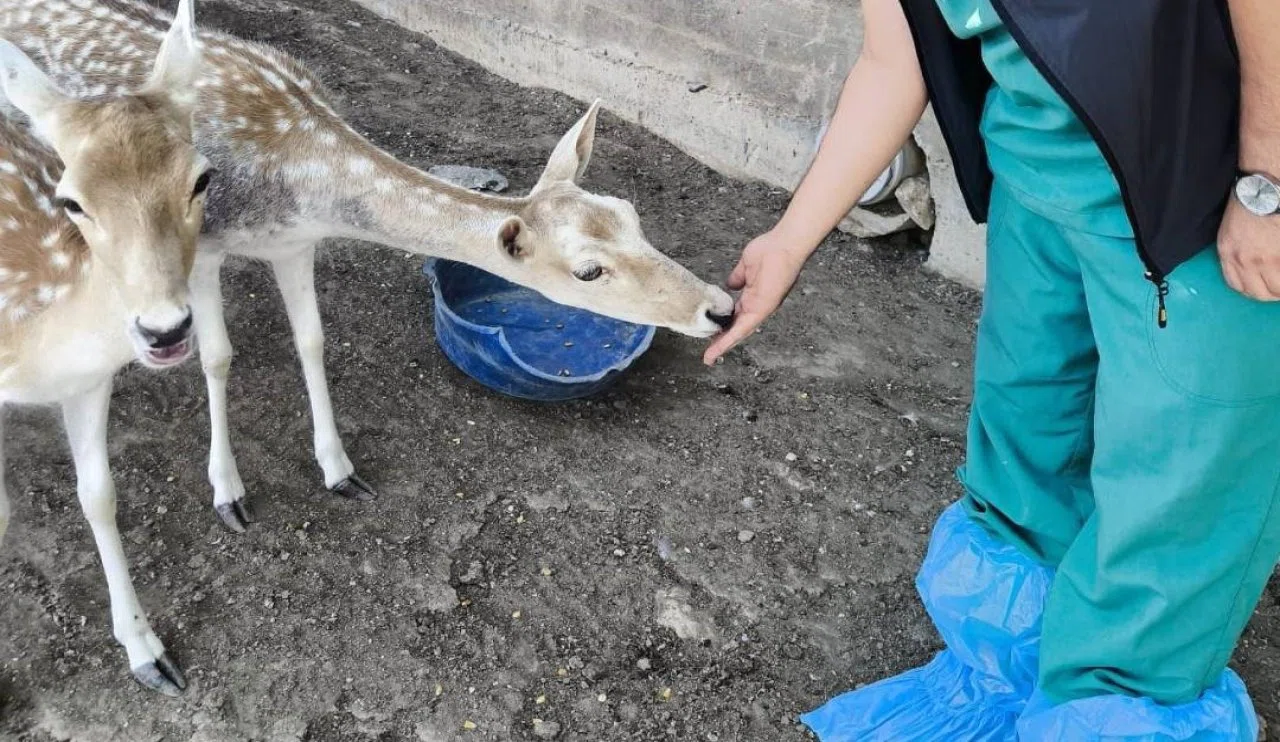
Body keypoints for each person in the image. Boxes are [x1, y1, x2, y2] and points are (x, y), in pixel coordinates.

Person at [703, 0, 1280, 739]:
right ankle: (1003, 677)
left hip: (1198, 186)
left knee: (1179, 489)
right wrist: (789, 241)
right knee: (1029, 430)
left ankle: (1121, 709)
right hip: (1035, 172)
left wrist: (1265, 182)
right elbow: (894, 58)